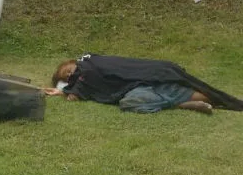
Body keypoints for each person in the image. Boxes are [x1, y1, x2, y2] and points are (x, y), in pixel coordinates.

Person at [44, 53, 243, 114]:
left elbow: (83, 79)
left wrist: (71, 90)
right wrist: (62, 92)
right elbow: (77, 91)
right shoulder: (82, 77)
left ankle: (184, 101)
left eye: (69, 71)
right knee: (129, 103)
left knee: (210, 97)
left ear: (73, 63)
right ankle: (182, 104)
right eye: (67, 78)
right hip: (138, 89)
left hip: (153, 78)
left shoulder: (88, 63)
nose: (72, 75)